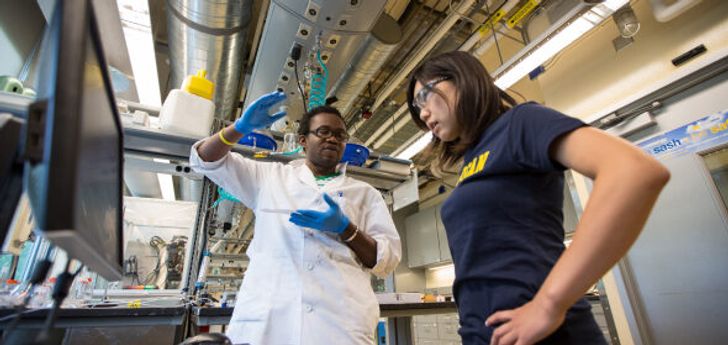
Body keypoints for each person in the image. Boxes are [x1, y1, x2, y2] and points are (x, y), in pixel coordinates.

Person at [406, 51, 670, 345]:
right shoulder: (473, 160)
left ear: (461, 79)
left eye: (423, 99)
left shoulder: (520, 123)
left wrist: (549, 303)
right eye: (417, 109)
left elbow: (633, 171)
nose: (422, 114)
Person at [190, 93, 401, 345]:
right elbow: (205, 160)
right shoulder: (268, 178)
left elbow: (385, 261)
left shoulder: (365, 194)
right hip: (270, 322)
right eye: (323, 132)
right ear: (303, 140)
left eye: (340, 135)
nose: (332, 138)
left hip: (339, 325)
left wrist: (347, 230)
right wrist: (239, 128)